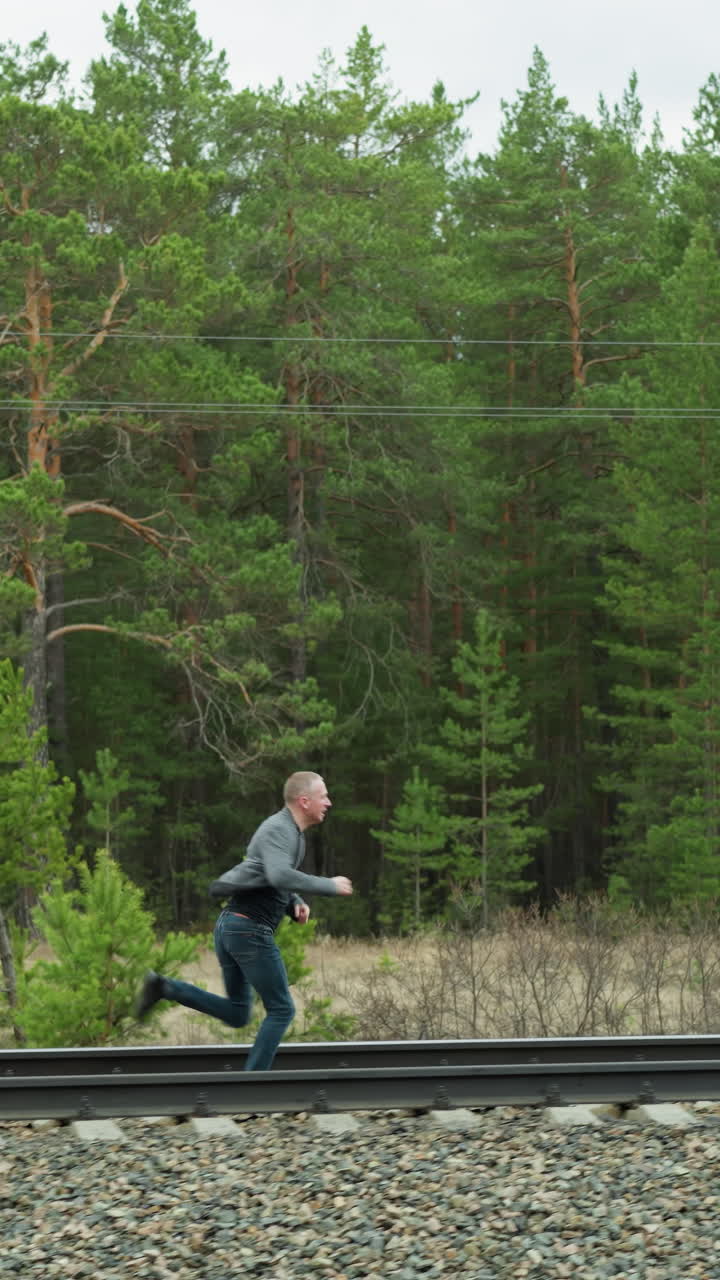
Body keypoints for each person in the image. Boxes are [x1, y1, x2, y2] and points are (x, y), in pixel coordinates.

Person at [135, 771, 352, 1070]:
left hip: (233, 928)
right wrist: (329, 885)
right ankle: (252, 1087)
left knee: (238, 1014)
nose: (329, 802)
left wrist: (294, 901)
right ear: (305, 801)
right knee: (282, 1010)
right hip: (248, 931)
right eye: (324, 796)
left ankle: (165, 988)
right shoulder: (281, 829)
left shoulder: (288, 832)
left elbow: (266, 875)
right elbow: (278, 874)